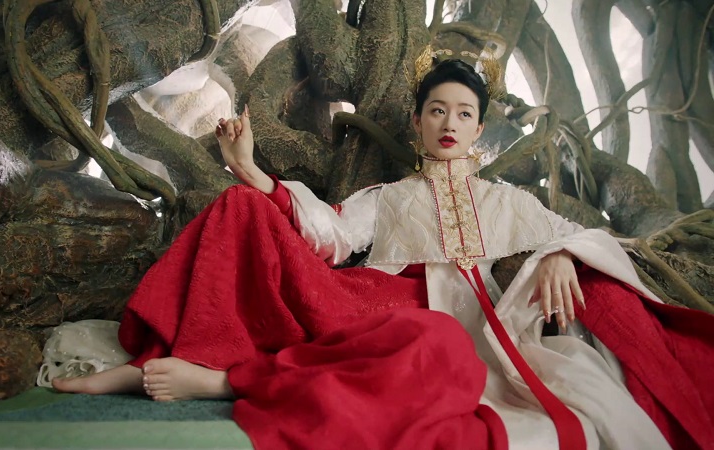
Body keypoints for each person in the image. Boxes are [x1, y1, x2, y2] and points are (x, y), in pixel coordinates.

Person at [47, 52, 714, 450]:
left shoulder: (512, 202)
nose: (449, 123)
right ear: (418, 122)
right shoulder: (390, 196)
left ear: (479, 129)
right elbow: (329, 234)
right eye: (436, 110)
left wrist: (563, 255)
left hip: (474, 333)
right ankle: (169, 362)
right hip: (376, 307)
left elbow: (580, 235)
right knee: (244, 209)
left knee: (442, 346)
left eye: (463, 113)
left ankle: (226, 381)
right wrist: (250, 170)